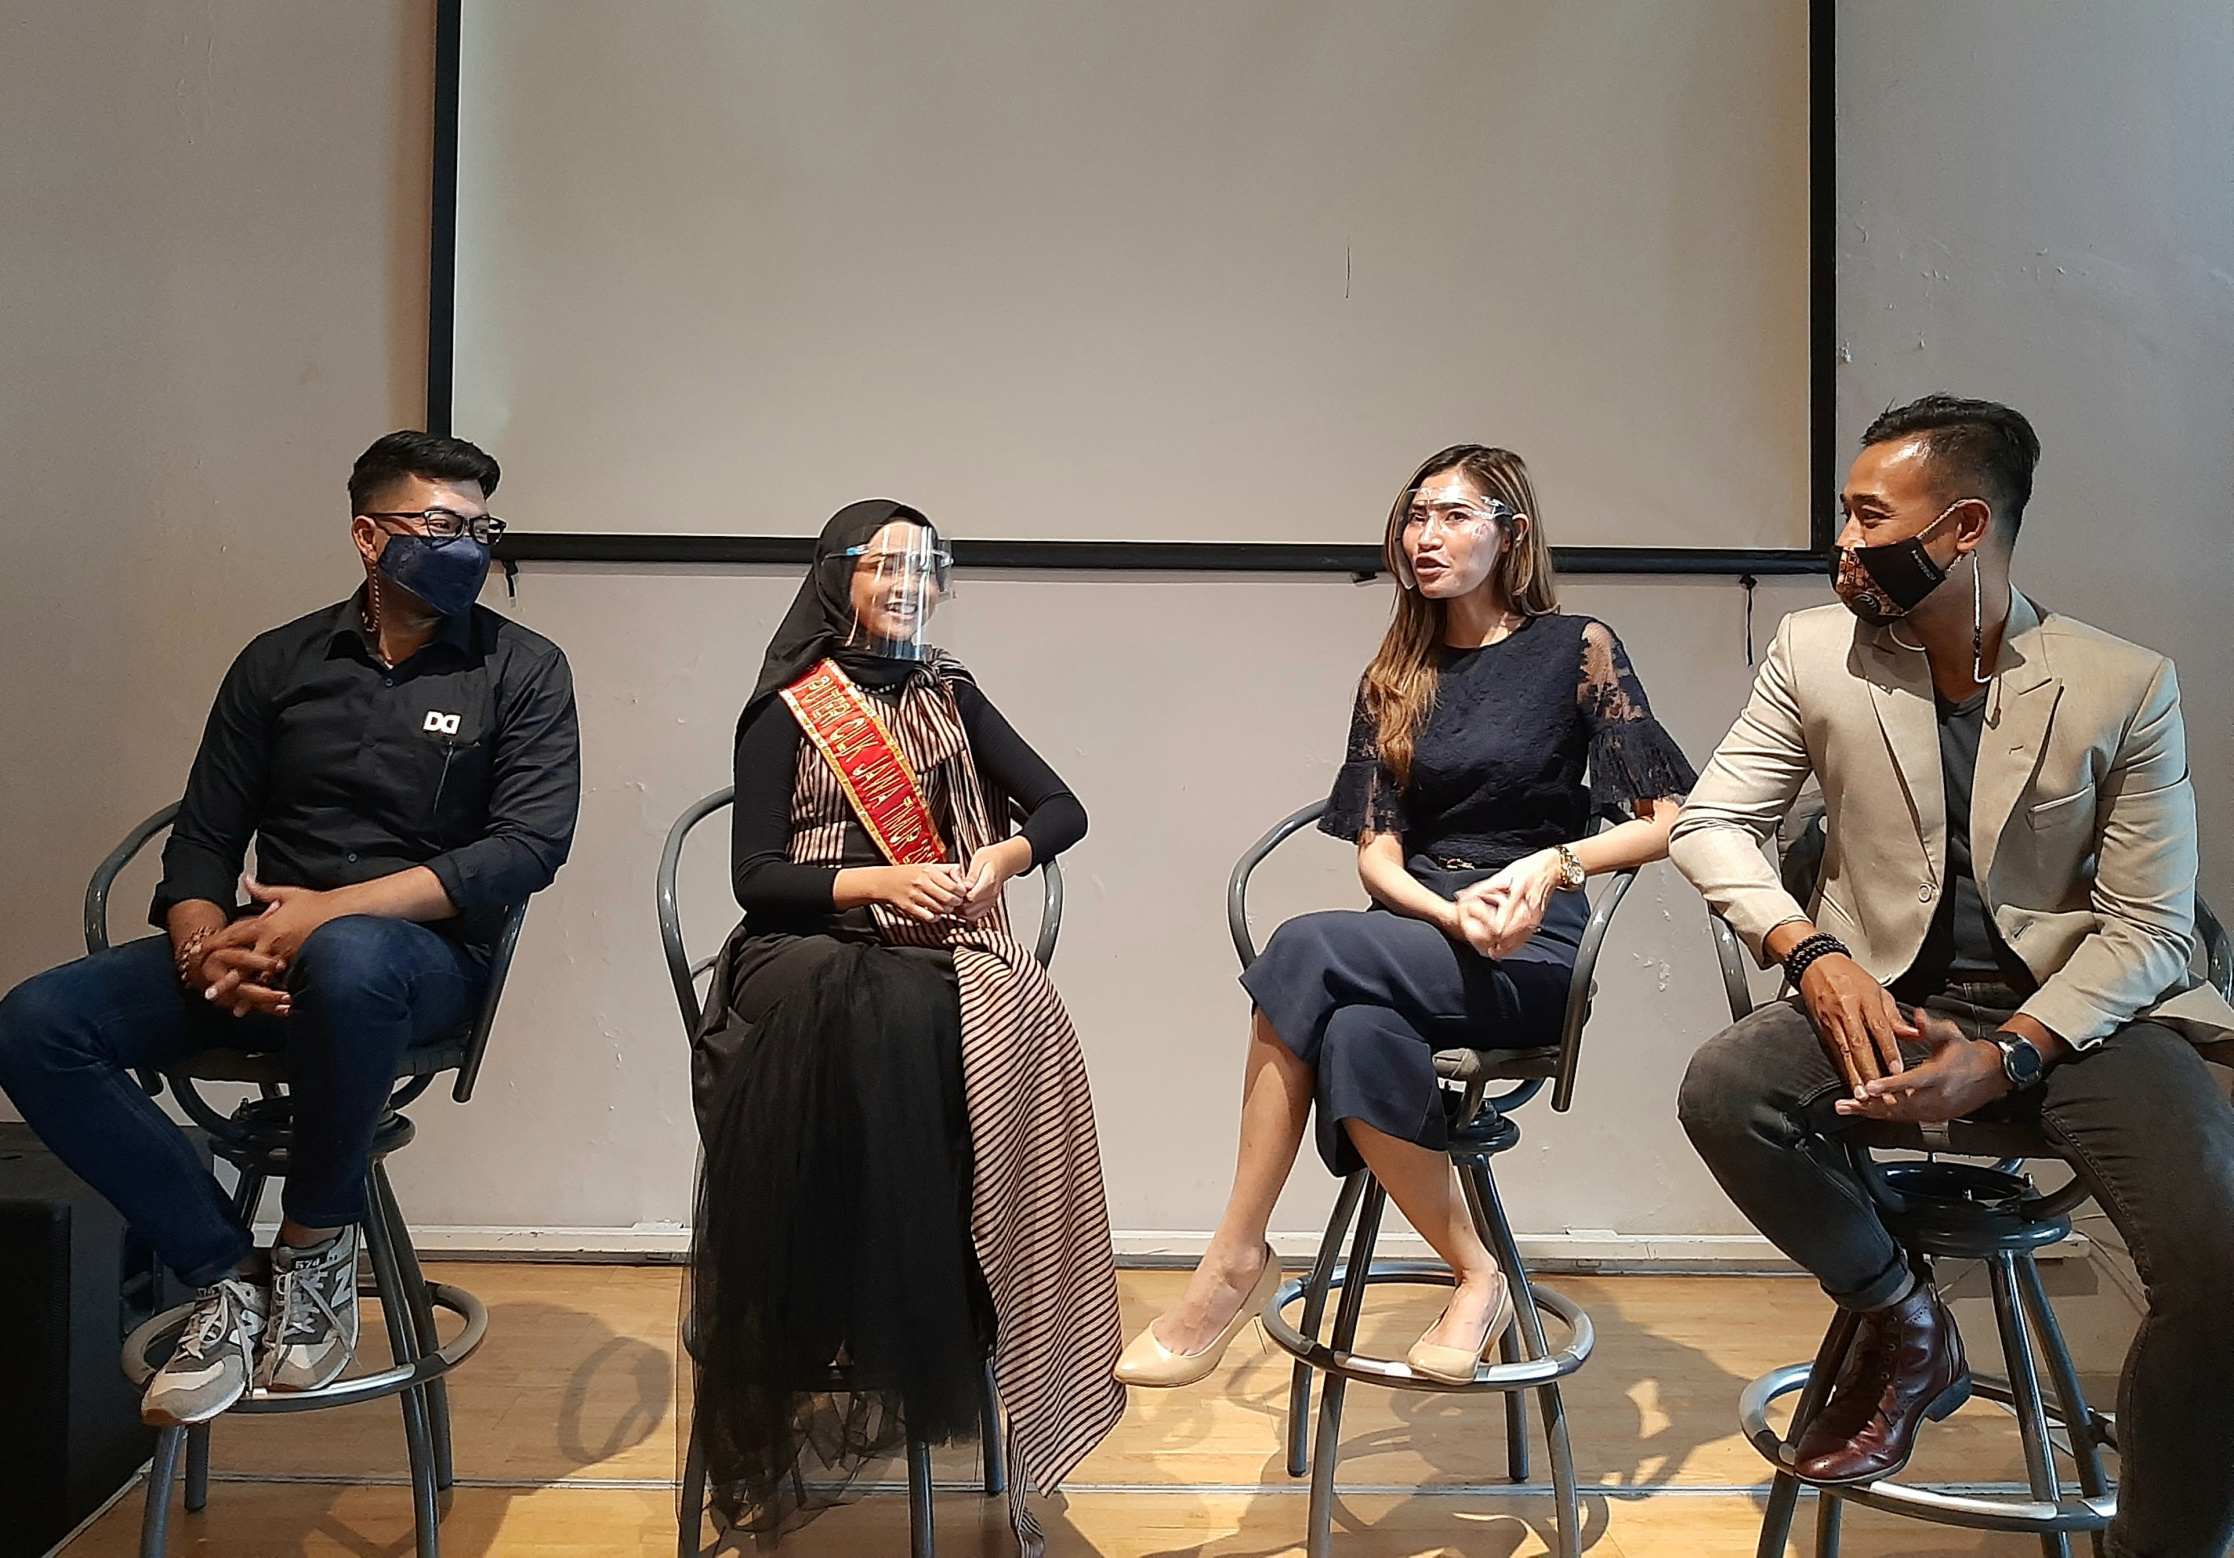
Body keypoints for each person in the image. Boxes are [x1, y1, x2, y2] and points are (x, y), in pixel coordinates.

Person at [1672, 394, 2234, 1554]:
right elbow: (1715, 819)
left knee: (2217, 1261)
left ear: (1964, 526)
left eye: (1867, 516)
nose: (1841, 541)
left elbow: (2151, 926)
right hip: (1879, 993)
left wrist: (2013, 1051)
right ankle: (1899, 1315)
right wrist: (1808, 951)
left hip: (2081, 1015)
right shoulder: (1810, 650)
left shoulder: (2123, 682)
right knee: (1722, 1090)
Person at [0, 431, 580, 1427]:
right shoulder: (277, 662)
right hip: (264, 952)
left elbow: (525, 848)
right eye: (439, 525)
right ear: (368, 535)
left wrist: (326, 915)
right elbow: (203, 840)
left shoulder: (521, 670)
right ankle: (224, 1275)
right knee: (35, 1022)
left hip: (418, 963)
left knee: (349, 959)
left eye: (480, 525)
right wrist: (204, 949)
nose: (468, 544)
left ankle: (314, 1245)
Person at [1117, 445, 1695, 1390]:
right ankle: (1476, 1277)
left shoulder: (1577, 647)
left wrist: (1552, 868)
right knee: (1352, 1030)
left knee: (1306, 946)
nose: (1425, 536)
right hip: (1424, 939)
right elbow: (1377, 854)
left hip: (1533, 952)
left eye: (1453, 516)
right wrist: (1448, 911)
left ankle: (1231, 1261)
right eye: (1415, 516)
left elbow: (1668, 824)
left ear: (1512, 532)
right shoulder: (1394, 673)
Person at [686, 500, 1123, 1555]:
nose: (909, 586)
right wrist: (881, 878)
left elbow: (1059, 807)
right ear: (839, 578)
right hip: (803, 953)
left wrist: (997, 862)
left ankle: (945, 1295)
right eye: (886, 568)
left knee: (960, 1003)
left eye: (926, 570)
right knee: (885, 1000)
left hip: (931, 954)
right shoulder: (789, 708)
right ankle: (886, 1300)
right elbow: (756, 882)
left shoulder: (952, 695)